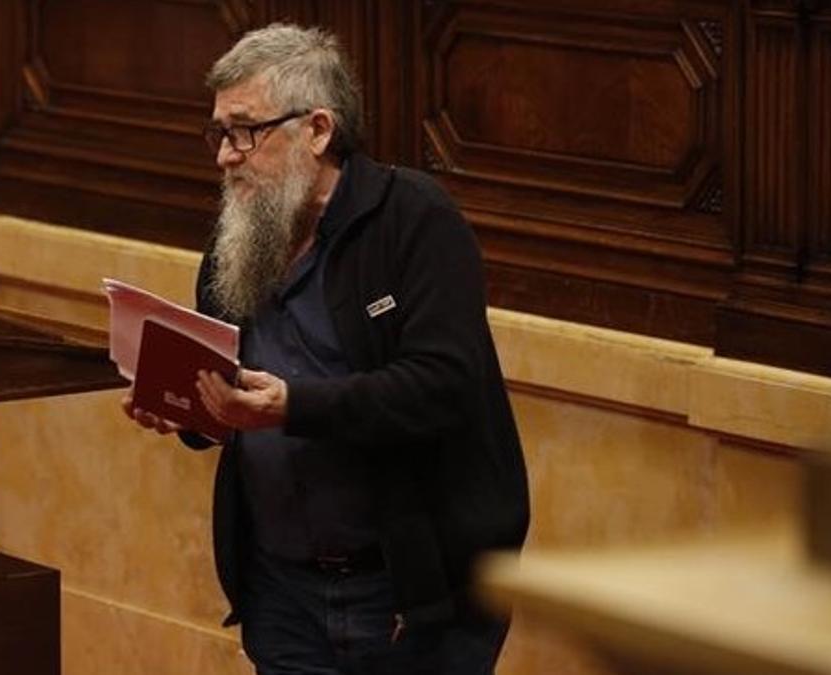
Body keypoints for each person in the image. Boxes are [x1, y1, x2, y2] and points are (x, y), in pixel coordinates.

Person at [122, 23, 529, 675]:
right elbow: (230, 398)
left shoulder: (415, 221)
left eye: (245, 131)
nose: (225, 155)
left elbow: (441, 385)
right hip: (283, 593)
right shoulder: (240, 240)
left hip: (414, 596)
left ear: (317, 129)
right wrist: (187, 411)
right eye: (219, 134)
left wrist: (294, 406)